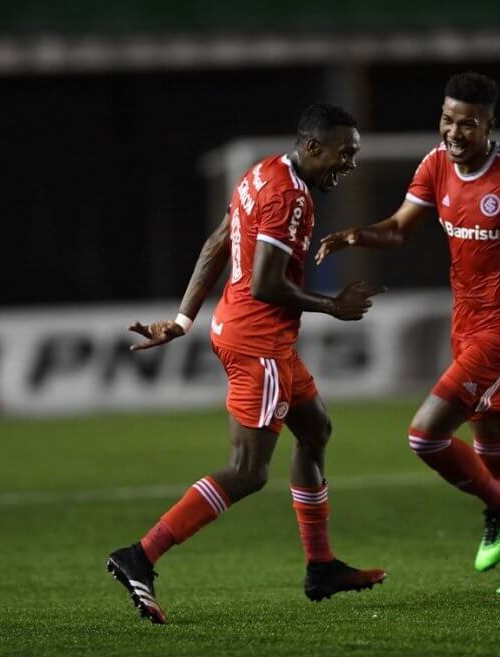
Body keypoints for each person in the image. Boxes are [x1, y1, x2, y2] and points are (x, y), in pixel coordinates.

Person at [316, 72, 500, 593]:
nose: (453, 132)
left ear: (490, 125)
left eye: (467, 124)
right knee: (495, 447)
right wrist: (357, 233)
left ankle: (499, 507)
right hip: (466, 326)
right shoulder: (435, 165)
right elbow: (400, 228)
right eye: (447, 120)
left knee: (425, 435)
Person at [111, 103, 387, 624]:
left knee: (316, 428)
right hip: (258, 342)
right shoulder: (289, 196)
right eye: (342, 154)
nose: (347, 165)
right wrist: (333, 306)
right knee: (248, 471)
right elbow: (266, 282)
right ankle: (139, 556)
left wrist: (182, 320)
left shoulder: (262, 172)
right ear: (312, 147)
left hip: (253, 335)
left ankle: (321, 566)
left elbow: (217, 242)